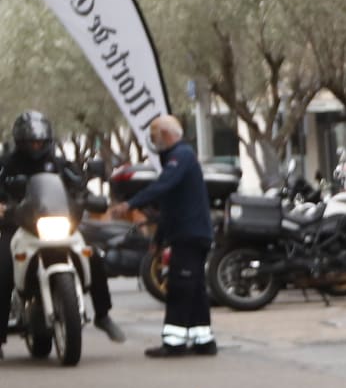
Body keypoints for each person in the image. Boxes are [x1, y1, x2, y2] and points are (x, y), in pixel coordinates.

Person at [0, 112, 123, 343]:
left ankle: (103, 314)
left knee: (94, 256)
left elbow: (78, 186)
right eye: (31, 142)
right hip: (17, 224)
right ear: (20, 142)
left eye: (40, 142)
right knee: (3, 267)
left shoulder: (59, 164)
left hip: (58, 222)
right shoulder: (6, 165)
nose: (36, 146)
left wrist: (88, 198)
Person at [130, 114, 213, 357]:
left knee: (179, 287)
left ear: (166, 135)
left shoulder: (181, 156)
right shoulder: (178, 159)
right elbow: (168, 207)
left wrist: (132, 203)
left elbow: (162, 187)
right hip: (188, 235)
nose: (155, 143)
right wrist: (157, 241)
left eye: (156, 137)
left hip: (190, 235)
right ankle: (203, 340)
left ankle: (174, 343)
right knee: (195, 289)